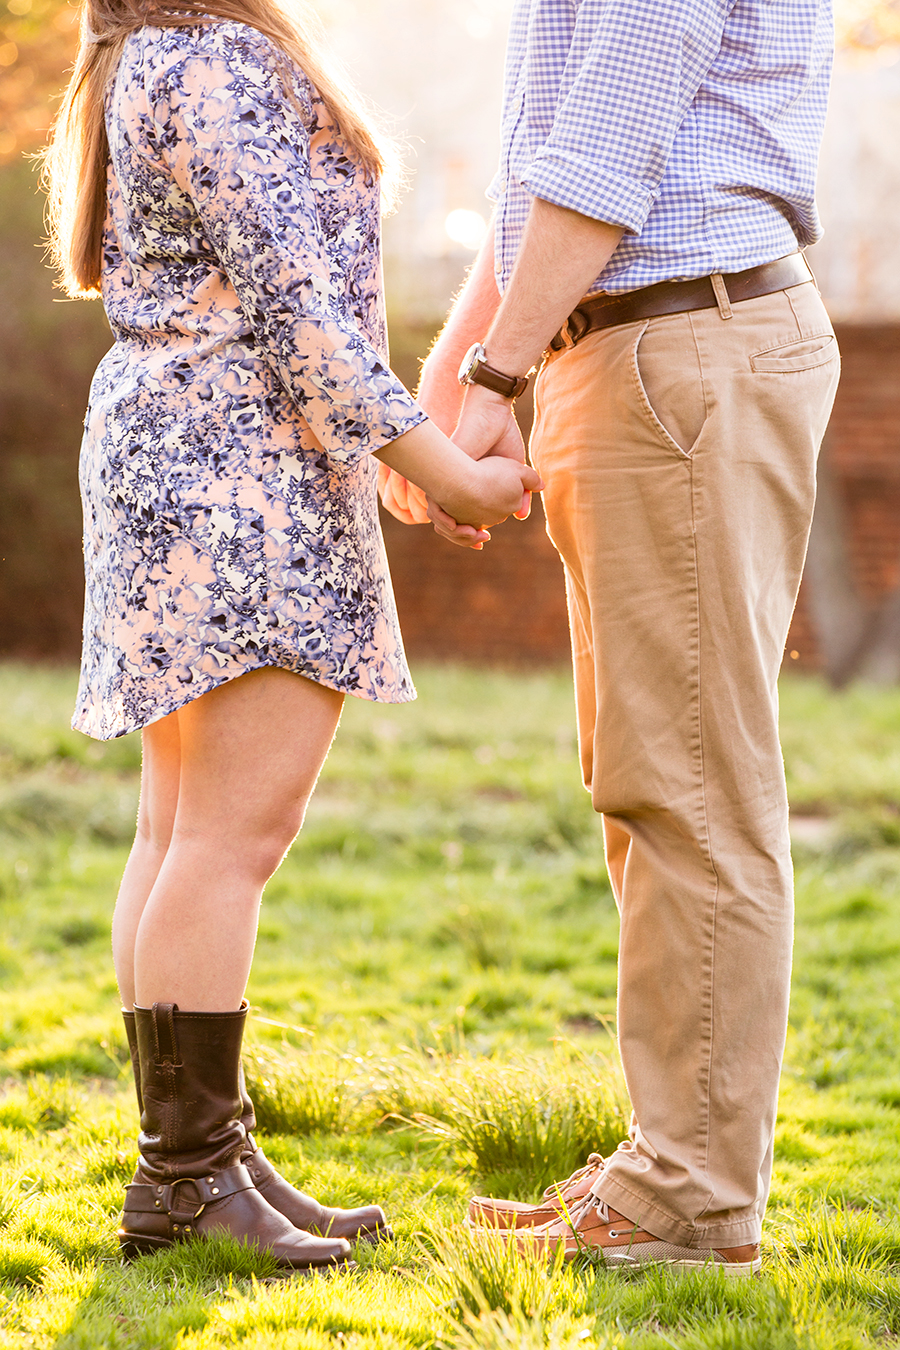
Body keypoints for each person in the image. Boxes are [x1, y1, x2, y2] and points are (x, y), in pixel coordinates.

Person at [43, 0, 540, 1271]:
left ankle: (199, 1155)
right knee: (224, 841)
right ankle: (188, 1174)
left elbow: (274, 309)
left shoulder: (142, 58)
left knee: (177, 833)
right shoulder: (211, 58)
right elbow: (302, 315)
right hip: (238, 483)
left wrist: (388, 465)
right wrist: (449, 469)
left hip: (187, 463)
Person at [380, 0, 841, 1277]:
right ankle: (670, 1162)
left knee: (692, 787)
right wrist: (463, 365)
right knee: (651, 780)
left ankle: (692, 1197)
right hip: (640, 340)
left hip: (684, 338)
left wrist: (494, 375)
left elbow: (604, 148)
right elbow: (548, 158)